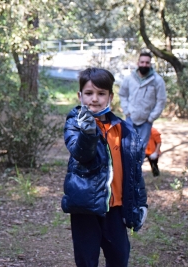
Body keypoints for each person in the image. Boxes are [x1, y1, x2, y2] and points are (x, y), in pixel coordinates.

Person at [61, 68, 148, 267]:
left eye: (101, 94)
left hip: (115, 208)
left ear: (110, 96)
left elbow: (134, 170)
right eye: (89, 93)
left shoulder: (124, 129)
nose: (95, 99)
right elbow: (82, 153)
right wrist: (89, 133)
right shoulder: (75, 123)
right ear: (80, 95)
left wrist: (141, 202)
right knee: (86, 260)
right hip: (85, 208)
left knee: (119, 256)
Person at [119, 51, 167, 154]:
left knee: (140, 149)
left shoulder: (157, 81)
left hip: (146, 121)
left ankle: (137, 170)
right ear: (138, 63)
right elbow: (123, 94)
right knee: (127, 147)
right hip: (130, 118)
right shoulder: (129, 78)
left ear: (150, 64)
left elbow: (161, 100)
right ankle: (127, 170)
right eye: (142, 62)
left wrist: (151, 117)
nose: (144, 64)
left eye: (147, 62)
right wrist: (126, 111)